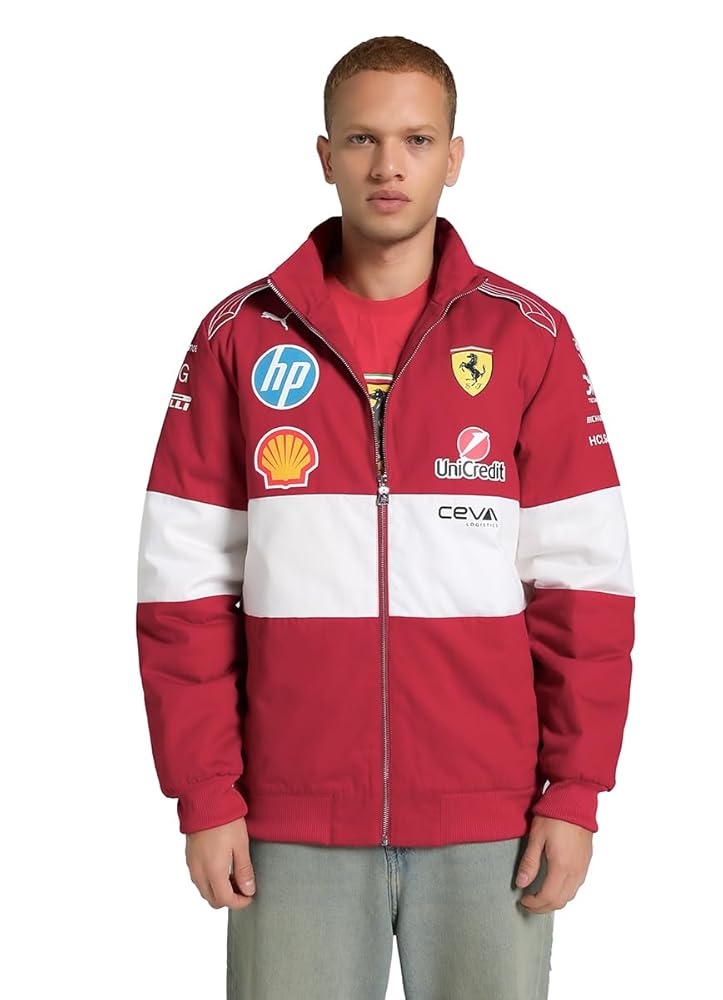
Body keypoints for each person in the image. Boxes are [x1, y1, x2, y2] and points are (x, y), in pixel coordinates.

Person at [135, 34, 636, 1000]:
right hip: (289, 818)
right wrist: (205, 793)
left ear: (455, 156)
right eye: (362, 139)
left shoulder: (525, 338)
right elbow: (181, 591)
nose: (388, 165)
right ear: (324, 156)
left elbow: (584, 588)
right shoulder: (240, 336)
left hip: (490, 818)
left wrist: (574, 792)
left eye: (416, 139)